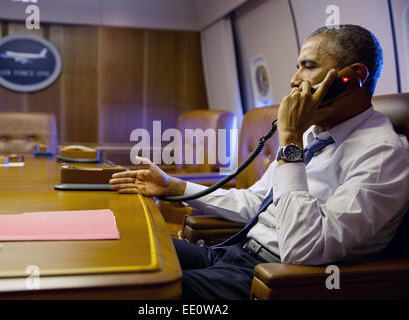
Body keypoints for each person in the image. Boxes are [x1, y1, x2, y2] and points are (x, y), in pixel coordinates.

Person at [110, 25, 409, 300]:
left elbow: (304, 248)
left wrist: (290, 139)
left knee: (136, 292)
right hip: (232, 253)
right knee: (124, 250)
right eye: (297, 67)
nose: (294, 81)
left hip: (273, 277)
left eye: (309, 67)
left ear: (352, 77)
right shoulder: (316, 134)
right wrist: (173, 185)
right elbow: (257, 202)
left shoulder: (383, 154)